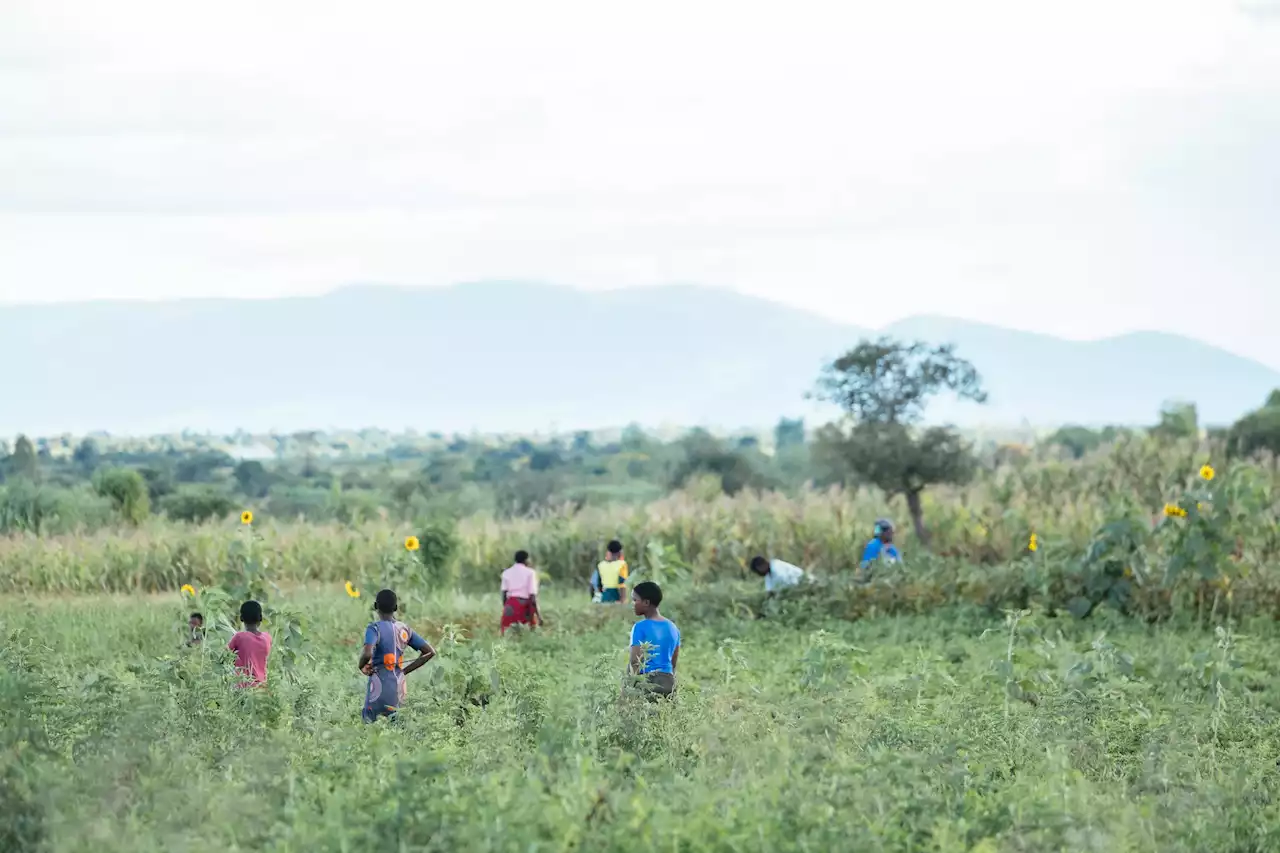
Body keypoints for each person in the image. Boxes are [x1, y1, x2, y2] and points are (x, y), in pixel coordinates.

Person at [358, 588, 436, 723]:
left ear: (376, 606)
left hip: (378, 688)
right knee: (395, 729)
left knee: (370, 729)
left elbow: (367, 652)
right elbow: (429, 652)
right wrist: (403, 672)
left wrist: (361, 666)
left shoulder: (374, 628)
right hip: (399, 688)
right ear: (395, 608)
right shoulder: (404, 629)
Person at [626, 581, 680, 700]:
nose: (632, 604)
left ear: (646, 602)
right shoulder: (673, 628)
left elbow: (635, 661)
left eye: (635, 600)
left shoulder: (640, 627)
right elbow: (673, 663)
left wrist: (627, 692)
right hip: (668, 682)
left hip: (648, 682)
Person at [228, 600, 272, 688]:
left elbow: (225, 656)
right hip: (262, 686)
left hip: (243, 687)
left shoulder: (239, 637)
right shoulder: (267, 638)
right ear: (260, 618)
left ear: (241, 618)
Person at [500, 550, 542, 634]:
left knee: (508, 633)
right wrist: (538, 616)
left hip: (510, 604)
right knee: (528, 633)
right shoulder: (530, 573)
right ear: (526, 560)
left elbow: (504, 594)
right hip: (524, 605)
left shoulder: (506, 573)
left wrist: (507, 607)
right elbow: (532, 597)